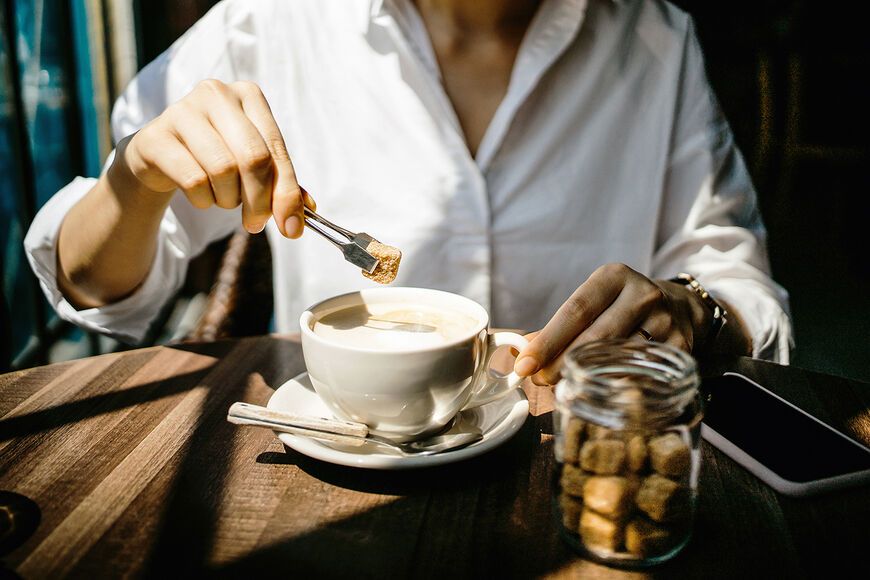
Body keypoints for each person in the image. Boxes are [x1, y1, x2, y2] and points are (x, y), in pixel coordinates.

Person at [25, 0, 792, 386]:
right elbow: (92, 284)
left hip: (572, 462)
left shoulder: (654, 42)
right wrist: (135, 182)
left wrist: (696, 309)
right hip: (342, 476)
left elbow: (747, 299)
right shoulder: (273, 23)